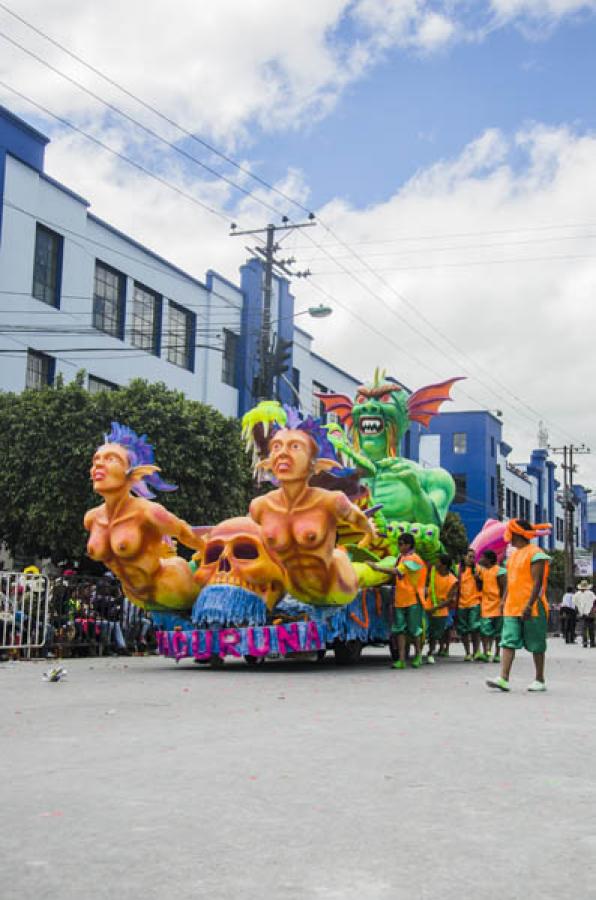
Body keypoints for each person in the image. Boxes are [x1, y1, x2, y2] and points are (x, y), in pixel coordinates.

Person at [249, 422, 375, 606]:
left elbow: (359, 519)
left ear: (315, 465)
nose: (283, 453)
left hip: (335, 587)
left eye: (294, 446)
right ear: (268, 463)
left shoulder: (330, 501)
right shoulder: (259, 506)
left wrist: (368, 535)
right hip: (291, 591)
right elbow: (246, 537)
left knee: (343, 559)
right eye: (276, 446)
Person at [84, 422, 205, 613]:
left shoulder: (147, 512)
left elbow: (184, 532)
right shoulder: (91, 518)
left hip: (172, 586)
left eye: (110, 459)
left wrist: (212, 555)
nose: (98, 464)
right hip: (137, 597)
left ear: (132, 474)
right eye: (96, 459)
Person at [487, 518, 551, 693]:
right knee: (507, 641)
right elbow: (510, 581)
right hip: (512, 606)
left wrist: (529, 605)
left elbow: (538, 583)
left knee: (536, 644)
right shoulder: (512, 555)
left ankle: (539, 679)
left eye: (511, 533)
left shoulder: (536, 553)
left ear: (517, 533)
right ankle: (503, 678)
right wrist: (503, 600)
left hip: (533, 608)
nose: (508, 536)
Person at [376, 533, 427, 669]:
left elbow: (397, 572)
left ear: (408, 545)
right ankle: (402, 659)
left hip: (412, 598)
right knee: (399, 630)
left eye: (401, 544)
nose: (399, 546)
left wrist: (377, 567)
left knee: (414, 629)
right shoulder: (401, 557)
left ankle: (418, 656)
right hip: (400, 598)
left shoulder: (414, 559)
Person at [424, 554, 457, 665]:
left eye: (438, 562)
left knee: (435, 635)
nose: (436, 564)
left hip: (440, 611)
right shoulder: (432, 572)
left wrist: (435, 608)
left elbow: (449, 599)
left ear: (444, 566)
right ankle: (418, 654)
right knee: (422, 632)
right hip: (426, 607)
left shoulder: (453, 580)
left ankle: (430, 653)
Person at [476, 550, 506, 663]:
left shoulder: (500, 571)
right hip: (486, 605)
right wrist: (477, 579)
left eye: (483, 557)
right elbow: (480, 586)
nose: (480, 560)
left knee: (498, 632)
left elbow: (505, 588)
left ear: (488, 559)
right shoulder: (482, 571)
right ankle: (486, 652)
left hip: (498, 605)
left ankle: (497, 654)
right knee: (484, 630)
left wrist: (503, 602)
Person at [457, 548, 482, 661]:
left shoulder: (478, 569)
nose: (472, 559)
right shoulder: (458, 568)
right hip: (461, 604)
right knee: (463, 630)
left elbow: (484, 585)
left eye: (473, 557)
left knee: (475, 627)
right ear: (464, 557)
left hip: (474, 602)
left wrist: (478, 579)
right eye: (469, 556)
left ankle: (476, 651)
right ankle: (467, 653)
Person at [573, 580, 596, 648]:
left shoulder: (577, 594)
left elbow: (576, 604)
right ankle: (592, 642)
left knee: (584, 628)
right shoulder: (591, 593)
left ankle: (585, 643)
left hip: (583, 614)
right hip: (590, 614)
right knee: (591, 628)